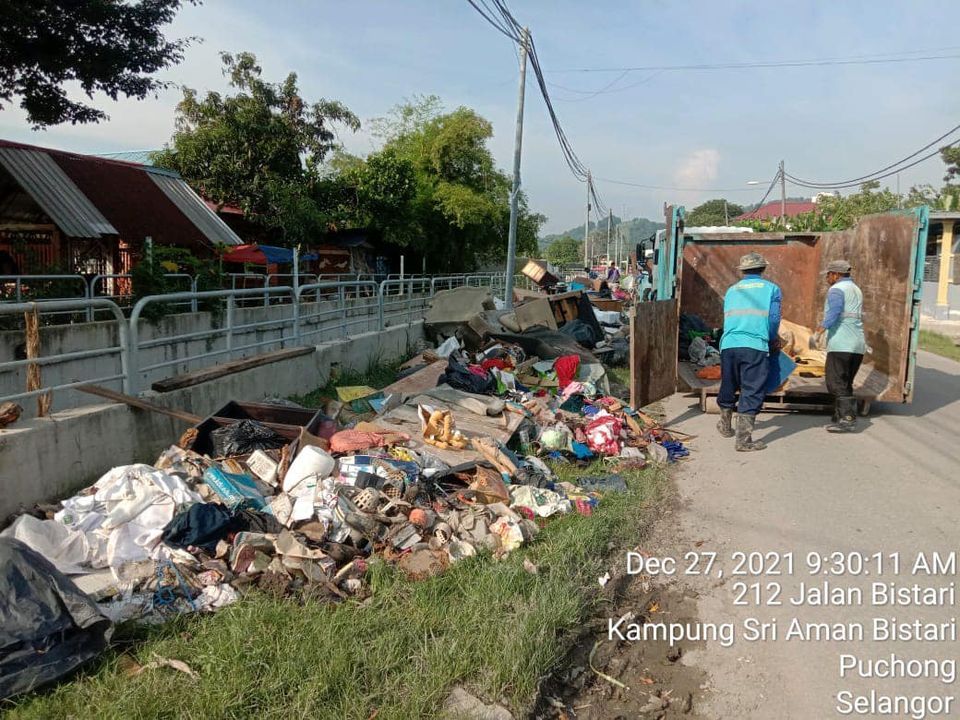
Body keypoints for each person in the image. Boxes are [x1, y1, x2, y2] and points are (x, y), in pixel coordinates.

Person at [716, 252, 782, 451]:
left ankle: (725, 426)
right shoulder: (772, 289)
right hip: (754, 346)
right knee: (751, 390)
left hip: (729, 344)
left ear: (743, 270)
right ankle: (743, 441)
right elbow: (773, 319)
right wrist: (772, 339)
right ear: (763, 268)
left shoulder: (732, 290)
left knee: (728, 384)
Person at [814, 259, 865, 433]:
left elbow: (834, 312)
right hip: (857, 344)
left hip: (842, 343)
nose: (827, 278)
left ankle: (848, 419)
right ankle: (840, 414)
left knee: (835, 382)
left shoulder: (836, 289)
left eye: (828, 274)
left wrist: (819, 331)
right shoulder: (856, 289)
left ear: (836, 275)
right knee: (846, 382)